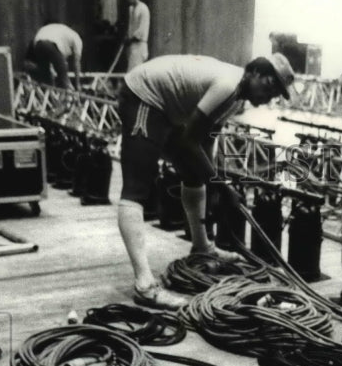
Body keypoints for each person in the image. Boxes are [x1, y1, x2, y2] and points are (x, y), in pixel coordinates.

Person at [116, 52, 295, 309]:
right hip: (144, 96)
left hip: (166, 108)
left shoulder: (237, 98)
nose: (269, 95)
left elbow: (204, 141)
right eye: (268, 85)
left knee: (192, 173)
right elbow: (190, 140)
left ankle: (202, 247)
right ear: (255, 72)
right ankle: (144, 286)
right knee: (136, 187)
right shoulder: (227, 86)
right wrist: (220, 186)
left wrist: (212, 180)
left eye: (275, 93)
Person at [27, 22, 83, 90]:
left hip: (37, 43)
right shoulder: (77, 38)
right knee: (63, 76)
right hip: (50, 43)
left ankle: (51, 95)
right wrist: (78, 84)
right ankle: (68, 93)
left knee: (46, 77)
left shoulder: (65, 33)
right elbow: (77, 63)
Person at [124, 0, 150, 70]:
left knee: (136, 72)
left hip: (139, 46)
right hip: (132, 47)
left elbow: (142, 30)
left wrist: (130, 39)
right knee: (130, 72)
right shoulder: (131, 9)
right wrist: (127, 36)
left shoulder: (143, 8)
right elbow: (131, 27)